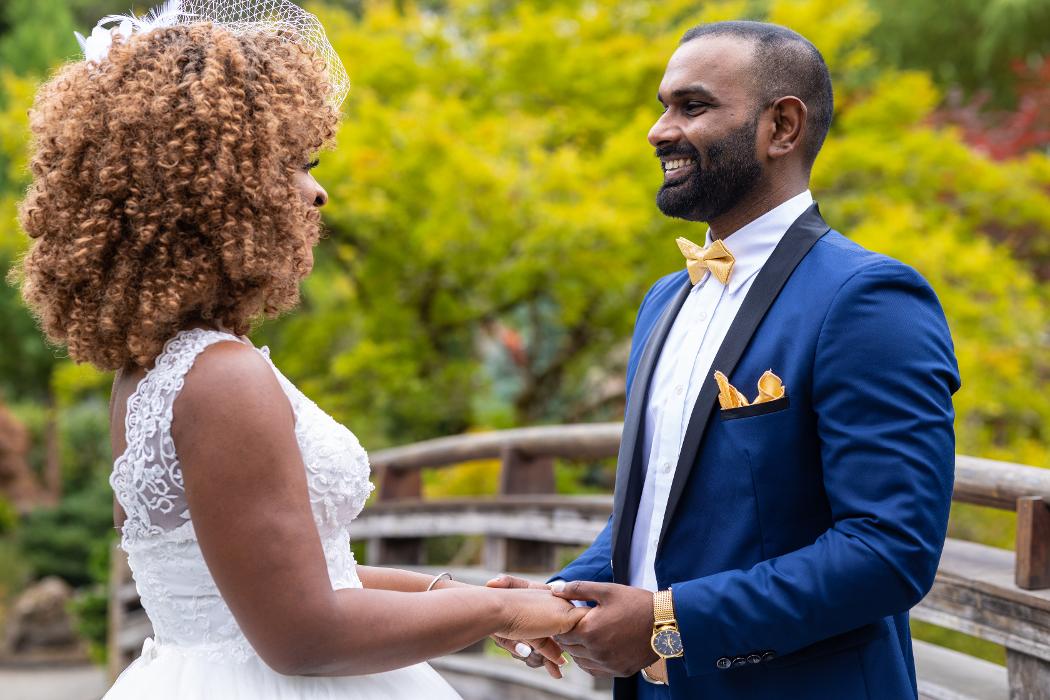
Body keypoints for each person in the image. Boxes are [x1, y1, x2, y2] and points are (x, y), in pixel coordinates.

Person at [15, 2, 584, 698]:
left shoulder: (161, 369)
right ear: (215, 193)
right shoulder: (219, 377)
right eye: (295, 165)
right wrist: (501, 611)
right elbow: (305, 635)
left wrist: (453, 594)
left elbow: (280, 576)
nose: (318, 193)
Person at [490, 20, 960, 700]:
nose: (658, 131)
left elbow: (890, 551)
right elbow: (660, 506)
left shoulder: (869, 299)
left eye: (693, 106)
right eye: (663, 107)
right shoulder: (664, 300)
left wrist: (668, 624)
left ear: (782, 128)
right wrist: (562, 594)